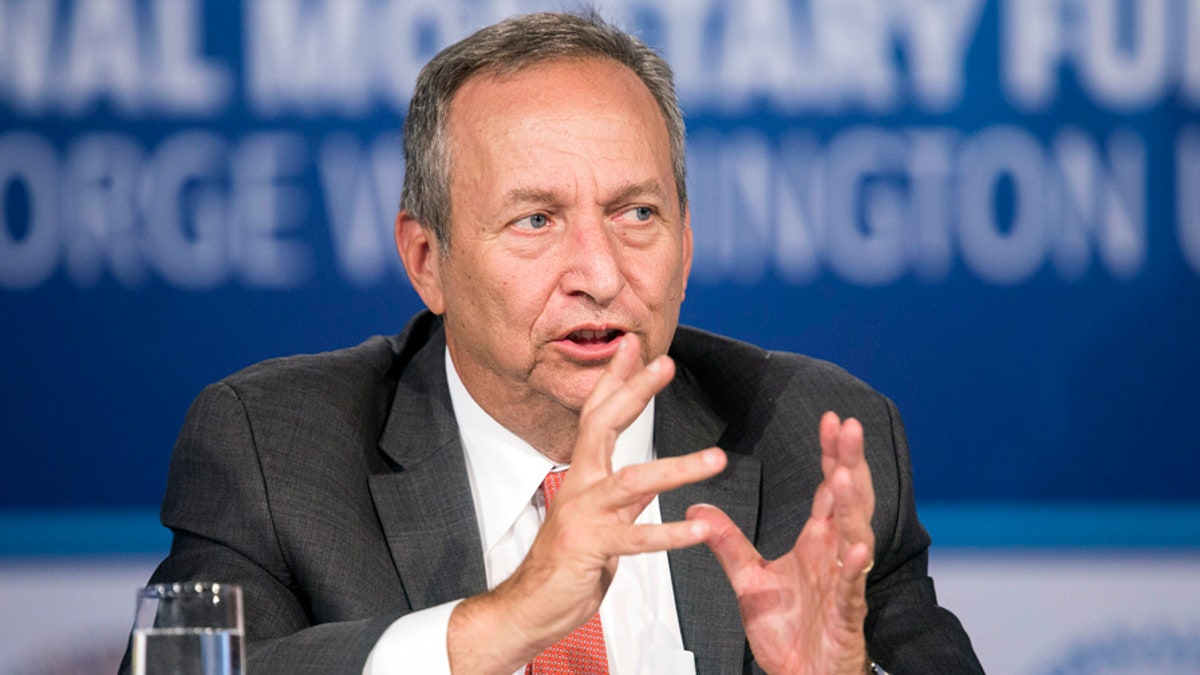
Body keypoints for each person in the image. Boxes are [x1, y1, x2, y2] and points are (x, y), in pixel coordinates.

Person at [124, 11, 982, 675]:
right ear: (427, 260)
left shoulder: (808, 442)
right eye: (536, 220)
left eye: (635, 213)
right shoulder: (276, 449)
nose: (598, 274)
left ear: (687, 244)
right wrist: (502, 623)